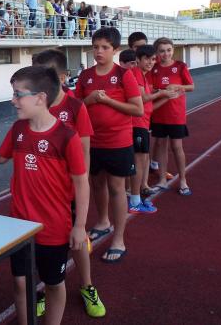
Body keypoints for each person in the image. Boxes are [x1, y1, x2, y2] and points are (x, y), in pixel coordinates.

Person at [0, 66, 89, 325]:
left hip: (53, 228)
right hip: (19, 226)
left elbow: (81, 183)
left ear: (40, 98)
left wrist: (80, 225)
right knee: (20, 282)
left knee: (53, 283)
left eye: (18, 94)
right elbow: (1, 156)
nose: (13, 100)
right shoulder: (18, 130)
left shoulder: (66, 136)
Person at [32, 50, 106, 318]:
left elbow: (84, 153)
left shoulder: (75, 107)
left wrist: (78, 189)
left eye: (44, 74)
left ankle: (87, 286)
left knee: (77, 238)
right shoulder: (32, 104)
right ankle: (42, 288)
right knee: (40, 243)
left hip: (68, 191)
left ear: (62, 77)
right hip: (40, 192)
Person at [75, 27, 143, 263]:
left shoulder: (124, 75)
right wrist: (89, 100)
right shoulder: (85, 76)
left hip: (118, 141)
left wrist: (108, 101)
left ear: (115, 50)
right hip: (92, 141)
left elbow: (138, 109)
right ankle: (103, 221)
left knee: (116, 188)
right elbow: (76, 108)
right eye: (95, 47)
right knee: (97, 184)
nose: (99, 51)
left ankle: (119, 239)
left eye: (105, 47)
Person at [129, 45, 175, 208]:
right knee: (139, 162)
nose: (151, 62)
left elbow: (148, 107)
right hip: (136, 124)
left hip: (142, 122)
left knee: (141, 160)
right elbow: (142, 99)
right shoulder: (136, 74)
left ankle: (137, 194)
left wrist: (167, 97)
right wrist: (162, 93)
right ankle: (134, 200)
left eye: (153, 59)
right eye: (147, 58)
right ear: (138, 60)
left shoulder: (143, 76)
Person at [151, 37, 194, 195]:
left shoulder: (180, 66)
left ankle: (183, 180)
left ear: (173, 50)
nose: (166, 53)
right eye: (162, 51)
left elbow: (191, 86)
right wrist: (159, 91)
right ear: (157, 52)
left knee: (177, 147)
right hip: (158, 114)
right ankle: (162, 179)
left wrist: (178, 86)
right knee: (161, 146)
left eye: (168, 50)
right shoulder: (153, 68)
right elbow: (150, 89)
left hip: (176, 114)